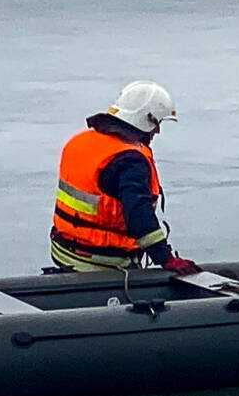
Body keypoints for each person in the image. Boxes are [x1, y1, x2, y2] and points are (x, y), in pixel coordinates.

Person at [49, 80, 201, 275]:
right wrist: (166, 258)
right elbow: (139, 215)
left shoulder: (80, 142)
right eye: (157, 124)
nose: (157, 131)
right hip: (102, 261)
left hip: (63, 251)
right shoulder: (129, 161)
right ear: (147, 120)